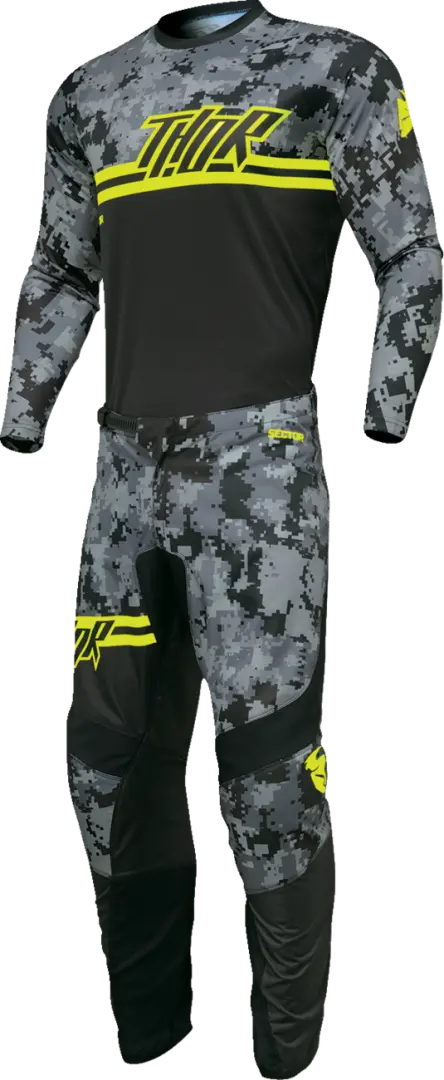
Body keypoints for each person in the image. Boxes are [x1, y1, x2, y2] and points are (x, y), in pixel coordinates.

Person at [2, 3, 441, 1076]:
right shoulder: (91, 89)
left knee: (270, 772)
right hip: (121, 476)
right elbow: (62, 264)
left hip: (260, 475)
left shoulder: (337, 66)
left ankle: (283, 1063)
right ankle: (148, 1040)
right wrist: (24, 406)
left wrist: (390, 397)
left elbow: (408, 241)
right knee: (106, 760)